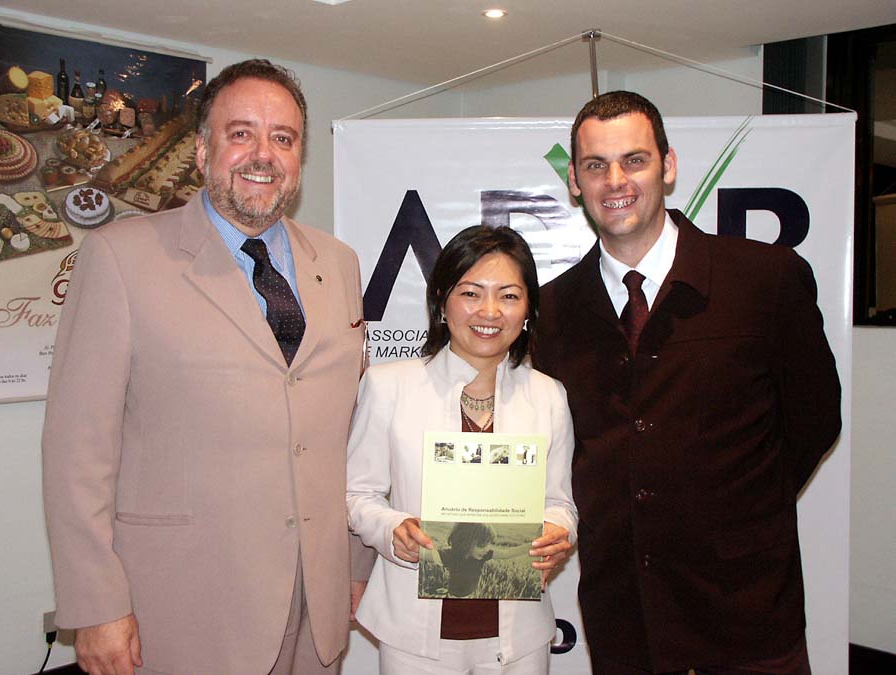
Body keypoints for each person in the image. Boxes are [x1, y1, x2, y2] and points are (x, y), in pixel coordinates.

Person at [42, 59, 372, 675]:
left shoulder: (340, 263)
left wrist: (357, 563)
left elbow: (353, 432)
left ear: (299, 158)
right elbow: (76, 451)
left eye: (283, 138)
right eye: (240, 133)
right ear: (201, 150)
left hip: (316, 603)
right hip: (182, 607)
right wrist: (95, 604)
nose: (263, 155)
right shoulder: (120, 258)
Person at [534, 91, 842, 673]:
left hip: (748, 613)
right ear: (574, 180)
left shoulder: (765, 280)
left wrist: (738, 512)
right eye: (596, 165)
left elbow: (815, 419)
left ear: (668, 166)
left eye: (635, 160)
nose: (615, 181)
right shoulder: (553, 311)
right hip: (625, 618)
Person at [346, 225, 578, 674]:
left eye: (508, 296)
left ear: (528, 310)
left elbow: (560, 502)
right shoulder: (389, 386)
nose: (489, 311)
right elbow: (358, 495)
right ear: (441, 301)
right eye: (471, 293)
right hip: (414, 636)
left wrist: (557, 531)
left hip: (519, 637)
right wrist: (393, 530)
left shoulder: (548, 395)